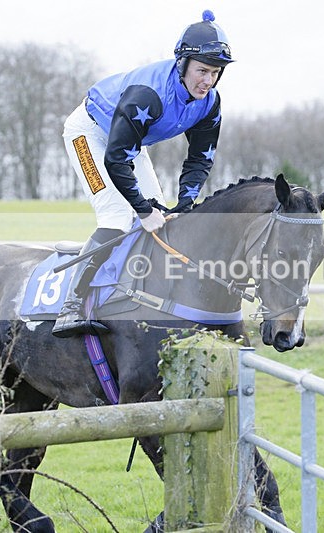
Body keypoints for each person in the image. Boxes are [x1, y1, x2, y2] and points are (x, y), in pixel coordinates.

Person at [53, 9, 233, 338]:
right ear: (182, 64)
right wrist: (141, 208)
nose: (207, 81)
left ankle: (139, 295)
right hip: (89, 134)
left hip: (128, 143)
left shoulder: (210, 103)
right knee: (118, 216)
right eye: (202, 71)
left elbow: (200, 158)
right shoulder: (148, 95)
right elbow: (115, 160)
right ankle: (71, 305)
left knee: (161, 220)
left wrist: (186, 202)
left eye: (215, 73)